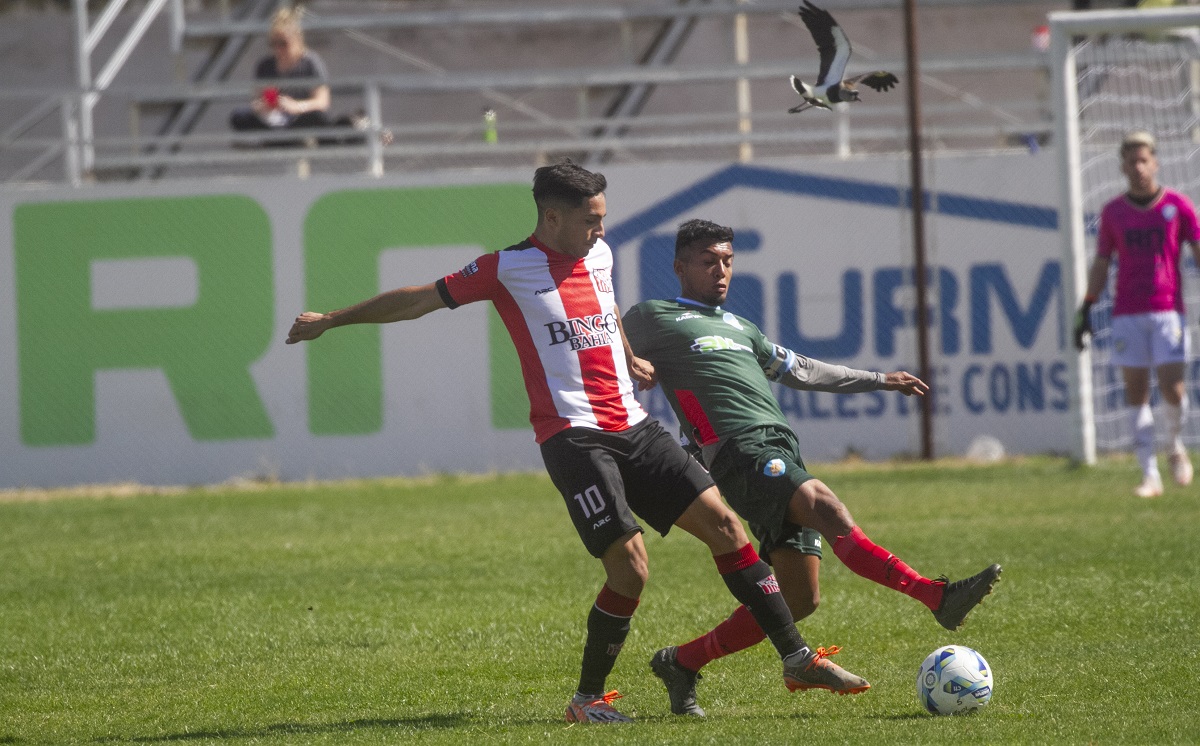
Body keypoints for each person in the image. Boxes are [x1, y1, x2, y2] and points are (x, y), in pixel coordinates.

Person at [285, 162, 864, 725]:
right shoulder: (505, 268)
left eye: (603, 218)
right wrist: (333, 319)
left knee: (727, 529)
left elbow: (603, 299)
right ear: (552, 218)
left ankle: (797, 658)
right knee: (630, 570)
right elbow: (417, 300)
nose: (602, 231)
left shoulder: (599, 255)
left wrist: (625, 352)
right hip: (573, 436)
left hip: (634, 425)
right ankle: (588, 699)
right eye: (592, 220)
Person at [622, 218, 1003, 718]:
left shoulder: (741, 328)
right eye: (708, 261)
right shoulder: (654, 316)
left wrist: (879, 379)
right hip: (740, 453)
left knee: (799, 599)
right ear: (679, 268)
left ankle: (682, 662)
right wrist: (630, 359)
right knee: (826, 505)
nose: (721, 271)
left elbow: (800, 369)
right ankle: (935, 596)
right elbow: (598, 338)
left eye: (728, 261)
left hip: (780, 448)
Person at [1074, 130, 1200, 498]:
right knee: (1136, 393)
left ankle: (1174, 445)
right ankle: (1149, 475)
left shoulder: (1177, 205)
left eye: (1144, 160)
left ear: (1155, 162)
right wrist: (1087, 305)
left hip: (1168, 311)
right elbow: (1101, 261)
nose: (1139, 167)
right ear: (1123, 167)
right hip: (1127, 312)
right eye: (1132, 161)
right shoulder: (1113, 212)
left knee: (1173, 390)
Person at [230, 7, 380, 146]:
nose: (278, 49)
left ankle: (359, 131)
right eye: (273, 43)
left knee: (316, 117)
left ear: (297, 40)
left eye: (283, 43)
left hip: (299, 119)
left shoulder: (310, 62)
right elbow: (257, 100)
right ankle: (276, 140)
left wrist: (296, 106)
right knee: (239, 117)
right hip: (274, 121)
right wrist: (264, 106)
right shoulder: (265, 65)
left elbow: (322, 102)